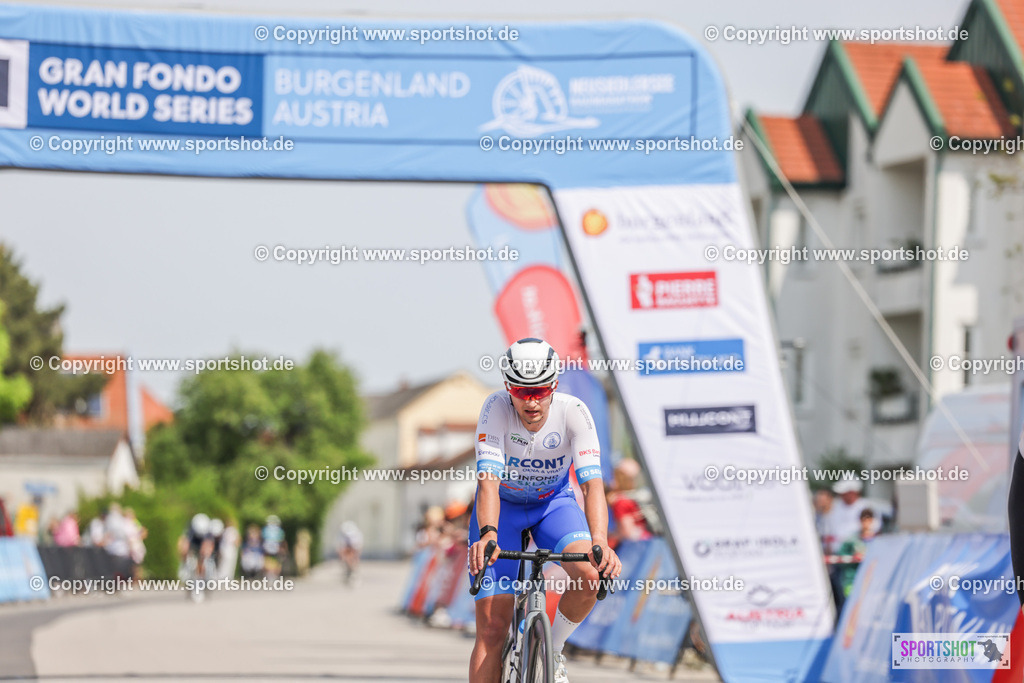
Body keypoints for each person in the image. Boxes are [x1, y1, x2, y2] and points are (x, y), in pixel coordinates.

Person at [468, 338, 622, 683]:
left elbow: (591, 485)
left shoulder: (574, 412)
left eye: (540, 390)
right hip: (503, 510)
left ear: (554, 385)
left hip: (552, 505)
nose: (532, 400)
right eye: (522, 391)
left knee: (591, 576)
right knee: (492, 629)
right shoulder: (495, 409)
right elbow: (488, 483)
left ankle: (553, 649)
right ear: (508, 387)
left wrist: (600, 540)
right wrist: (488, 535)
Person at [837, 509, 878, 596]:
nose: (866, 522)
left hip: (872, 581)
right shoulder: (851, 540)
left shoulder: (878, 540)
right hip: (852, 581)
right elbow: (840, 557)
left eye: (869, 519)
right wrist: (853, 557)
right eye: (864, 519)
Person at [337, 521, 363, 585]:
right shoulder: (347, 535)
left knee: (352, 560)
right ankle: (349, 571)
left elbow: (356, 546)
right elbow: (342, 547)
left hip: (353, 547)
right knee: (349, 559)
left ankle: (353, 571)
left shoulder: (353, 535)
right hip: (349, 548)